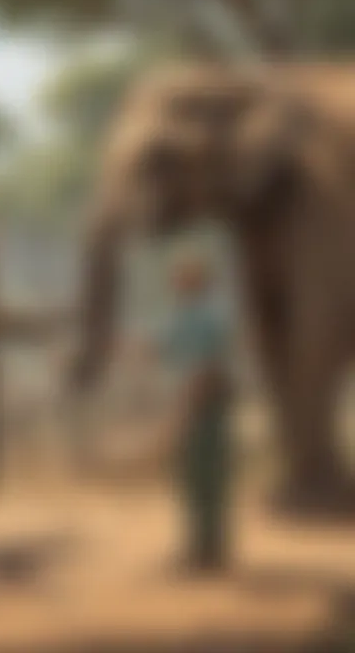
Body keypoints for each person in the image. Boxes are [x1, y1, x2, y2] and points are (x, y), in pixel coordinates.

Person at [158, 244, 235, 574]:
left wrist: (187, 408)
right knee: (190, 478)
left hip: (208, 403)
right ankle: (198, 546)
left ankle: (212, 550)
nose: (175, 281)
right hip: (188, 399)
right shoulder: (182, 316)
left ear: (197, 280)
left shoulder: (210, 315)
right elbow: (162, 350)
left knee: (209, 478)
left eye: (183, 275)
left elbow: (209, 366)